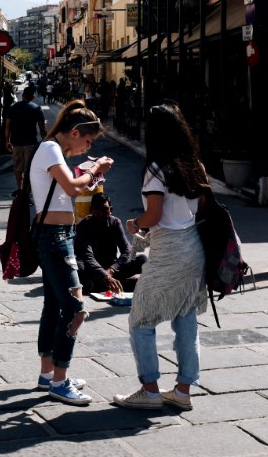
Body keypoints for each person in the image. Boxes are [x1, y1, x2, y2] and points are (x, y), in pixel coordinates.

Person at [112, 102, 208, 412]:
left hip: (169, 252)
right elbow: (200, 209)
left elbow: (153, 215)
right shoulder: (195, 165)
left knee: (140, 319)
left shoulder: (156, 169)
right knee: (186, 320)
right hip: (194, 249)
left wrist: (135, 223)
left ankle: (150, 389)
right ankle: (183, 390)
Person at [29, 100, 114, 405]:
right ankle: (60, 382)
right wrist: (94, 168)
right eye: (88, 141)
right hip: (55, 237)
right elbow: (72, 189)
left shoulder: (53, 151)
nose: (86, 147)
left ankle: (47, 374)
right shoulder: (51, 149)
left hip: (58, 234)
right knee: (76, 310)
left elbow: (67, 187)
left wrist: (89, 171)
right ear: (75, 132)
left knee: (54, 306)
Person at [75, 192, 147, 294]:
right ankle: (122, 284)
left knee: (142, 259)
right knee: (77, 267)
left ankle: (99, 286)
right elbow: (87, 256)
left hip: (112, 268)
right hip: (92, 269)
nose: (100, 213)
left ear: (111, 210)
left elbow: (127, 250)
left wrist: (112, 269)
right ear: (91, 210)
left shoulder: (115, 223)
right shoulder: (83, 226)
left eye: (104, 209)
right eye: (97, 209)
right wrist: (104, 275)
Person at [5, 86, 47, 196]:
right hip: (31, 143)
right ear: (33, 96)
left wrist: (7, 141)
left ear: (23, 95)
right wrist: (45, 140)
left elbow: (7, 127)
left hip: (16, 143)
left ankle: (20, 189)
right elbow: (42, 128)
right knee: (29, 169)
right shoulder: (36, 108)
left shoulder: (13, 108)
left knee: (18, 168)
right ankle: (26, 192)